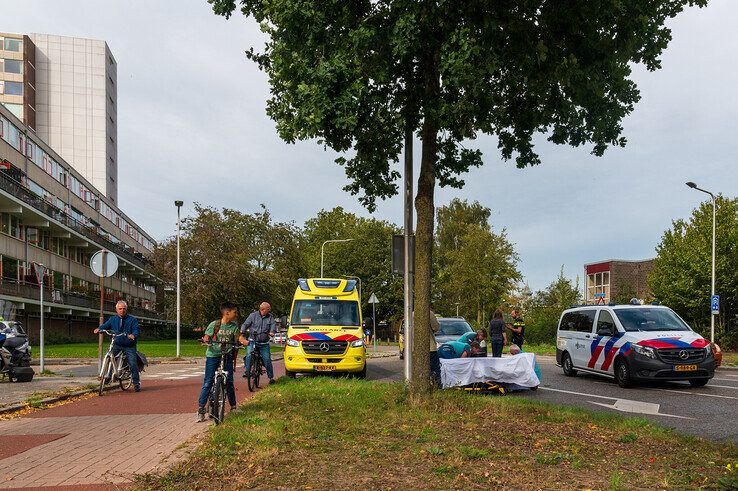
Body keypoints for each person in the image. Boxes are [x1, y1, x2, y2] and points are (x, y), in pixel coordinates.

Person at [197, 301, 240, 422]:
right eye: (234, 312)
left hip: (227, 356)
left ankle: (233, 407)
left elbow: (239, 338)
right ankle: (201, 409)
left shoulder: (234, 327)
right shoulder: (215, 324)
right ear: (227, 313)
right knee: (208, 381)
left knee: (229, 381)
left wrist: (245, 342)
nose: (236, 314)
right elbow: (207, 336)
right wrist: (205, 340)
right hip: (213, 355)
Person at [94, 300, 141, 392]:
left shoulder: (132, 320)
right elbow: (105, 326)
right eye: (120, 309)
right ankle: (107, 376)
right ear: (116, 310)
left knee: (132, 363)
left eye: (124, 309)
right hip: (117, 343)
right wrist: (99, 329)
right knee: (109, 356)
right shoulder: (113, 319)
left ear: (126, 309)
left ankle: (136, 383)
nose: (122, 310)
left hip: (129, 345)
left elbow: (136, 330)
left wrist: (133, 335)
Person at [240, 302, 276, 384]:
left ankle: (271, 377)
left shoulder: (270, 317)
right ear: (263, 309)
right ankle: (247, 371)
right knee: (249, 354)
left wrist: (272, 332)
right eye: (268, 309)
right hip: (253, 340)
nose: (270, 310)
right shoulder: (253, 316)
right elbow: (245, 324)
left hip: (264, 343)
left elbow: (273, 326)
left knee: (267, 359)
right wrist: (242, 330)